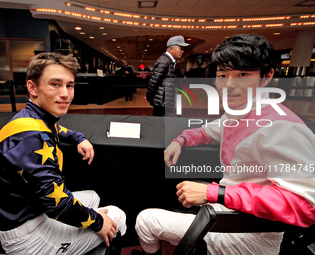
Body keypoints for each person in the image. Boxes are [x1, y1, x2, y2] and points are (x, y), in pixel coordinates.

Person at [134, 34, 315, 255]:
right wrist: (180, 140)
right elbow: (207, 131)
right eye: (222, 75)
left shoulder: (282, 128)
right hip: (230, 212)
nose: (229, 85)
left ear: (266, 77)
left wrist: (216, 193)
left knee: (146, 221)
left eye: (242, 74)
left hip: (249, 234)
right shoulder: (240, 113)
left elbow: (305, 206)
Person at [0, 53, 127, 255]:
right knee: (116, 215)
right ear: (32, 88)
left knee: (93, 197)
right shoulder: (32, 138)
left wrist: (77, 137)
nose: (65, 94)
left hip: (29, 212)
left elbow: (56, 130)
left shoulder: (32, 118)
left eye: (69, 85)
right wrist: (99, 223)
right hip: (27, 236)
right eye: (55, 84)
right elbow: (58, 206)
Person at [146, 35, 190, 117]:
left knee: (158, 123)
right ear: (172, 49)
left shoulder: (168, 61)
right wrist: (149, 96)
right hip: (163, 102)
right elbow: (153, 82)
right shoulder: (164, 61)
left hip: (163, 101)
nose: (182, 51)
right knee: (169, 124)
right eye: (181, 48)